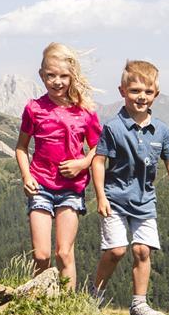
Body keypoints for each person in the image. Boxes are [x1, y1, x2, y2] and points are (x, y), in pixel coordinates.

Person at [87, 60, 169, 315]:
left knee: (142, 250)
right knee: (116, 251)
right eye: (134, 91)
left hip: (145, 201)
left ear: (156, 94)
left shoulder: (162, 130)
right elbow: (98, 161)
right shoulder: (113, 127)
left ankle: (139, 305)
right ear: (122, 91)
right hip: (115, 199)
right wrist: (100, 196)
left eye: (148, 91)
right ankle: (93, 297)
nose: (141, 97)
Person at [13, 42, 102, 289]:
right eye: (50, 75)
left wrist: (82, 164)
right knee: (41, 254)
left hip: (71, 188)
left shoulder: (85, 111)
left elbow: (98, 147)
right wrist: (26, 175)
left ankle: (67, 304)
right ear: (41, 75)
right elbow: (21, 147)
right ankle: (39, 299)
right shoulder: (34, 109)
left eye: (63, 76)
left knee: (64, 252)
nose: (57, 82)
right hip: (40, 184)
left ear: (72, 76)